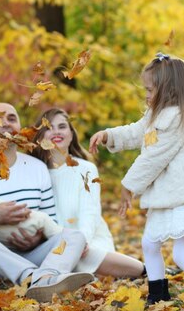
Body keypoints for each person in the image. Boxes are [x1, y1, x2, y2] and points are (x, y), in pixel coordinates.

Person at [89, 53, 184, 304]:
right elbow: (136, 132)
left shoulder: (175, 119)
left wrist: (127, 187)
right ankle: (157, 295)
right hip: (169, 195)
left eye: (150, 89)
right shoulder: (157, 116)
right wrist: (108, 135)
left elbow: (153, 159)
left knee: (182, 254)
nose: (146, 94)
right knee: (150, 244)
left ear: (168, 90)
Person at [0, 102, 94, 303]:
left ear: (20, 129)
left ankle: (46, 279)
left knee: (73, 236)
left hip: (28, 255)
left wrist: (37, 240)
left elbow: (49, 221)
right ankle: (31, 278)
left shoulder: (37, 168)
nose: (6, 123)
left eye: (12, 118)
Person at [31, 108, 145, 278]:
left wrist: (82, 241)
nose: (56, 131)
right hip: (52, 243)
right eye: (48, 128)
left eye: (62, 126)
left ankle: (145, 270)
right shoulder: (34, 172)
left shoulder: (86, 169)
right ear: (40, 136)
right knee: (58, 257)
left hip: (88, 240)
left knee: (88, 256)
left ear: (71, 134)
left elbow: (89, 212)